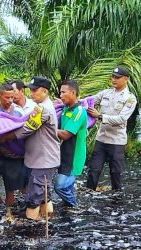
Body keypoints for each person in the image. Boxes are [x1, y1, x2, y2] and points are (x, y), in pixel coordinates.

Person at [0, 76, 60, 220]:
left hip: (43, 160)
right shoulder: (44, 106)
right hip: (45, 159)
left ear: (44, 92)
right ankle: (48, 222)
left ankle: (30, 232)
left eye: (34, 90)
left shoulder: (43, 109)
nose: (31, 94)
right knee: (45, 194)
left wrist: (6, 137)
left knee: (33, 197)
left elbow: (27, 128)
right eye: (30, 90)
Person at [86, 66, 137, 191]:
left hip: (116, 141)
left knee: (116, 173)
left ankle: (116, 203)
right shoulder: (105, 93)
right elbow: (88, 101)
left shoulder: (130, 98)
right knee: (94, 170)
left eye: (117, 77)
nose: (114, 79)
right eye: (113, 77)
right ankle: (88, 197)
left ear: (126, 79)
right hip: (101, 139)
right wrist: (68, 101)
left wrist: (100, 116)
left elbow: (121, 119)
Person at [0, 84, 24, 208]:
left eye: (12, 97)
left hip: (13, 157)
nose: (10, 100)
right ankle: (0, 204)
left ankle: (8, 214)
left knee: (10, 189)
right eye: (7, 97)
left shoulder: (19, 113)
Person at [54, 79, 87, 207]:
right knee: (67, 188)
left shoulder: (79, 112)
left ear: (73, 93)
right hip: (64, 155)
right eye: (60, 92)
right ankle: (69, 212)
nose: (60, 95)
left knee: (60, 187)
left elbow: (66, 135)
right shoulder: (66, 109)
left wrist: (47, 128)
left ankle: (75, 207)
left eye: (63, 92)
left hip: (74, 157)